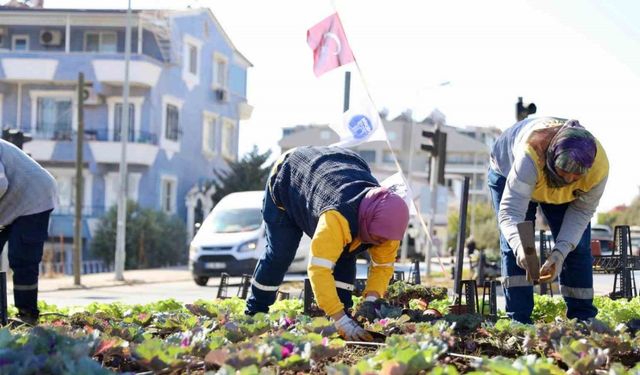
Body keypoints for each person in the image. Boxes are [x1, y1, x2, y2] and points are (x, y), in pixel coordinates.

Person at [245, 146, 409, 341]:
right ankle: (254, 313)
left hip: (340, 166)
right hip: (289, 176)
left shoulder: (388, 226)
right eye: (378, 238)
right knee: (281, 253)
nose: (381, 243)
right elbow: (319, 270)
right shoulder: (337, 218)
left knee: (346, 254)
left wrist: (371, 300)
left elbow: (382, 267)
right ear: (367, 221)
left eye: (385, 239)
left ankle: (340, 318)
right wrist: (339, 318)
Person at [488, 117, 608, 324]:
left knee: (577, 246)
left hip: (551, 181)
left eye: (575, 176)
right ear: (553, 157)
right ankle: (519, 320)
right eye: (564, 172)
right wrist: (520, 247)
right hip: (508, 171)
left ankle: (583, 318)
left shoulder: (598, 170)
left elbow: (580, 214)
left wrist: (559, 253)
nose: (569, 179)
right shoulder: (531, 156)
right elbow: (510, 213)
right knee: (516, 247)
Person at [0, 138, 57, 325]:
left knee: (22, 257)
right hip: (12, 204)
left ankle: (27, 315)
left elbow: (0, 184)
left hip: (34, 198)